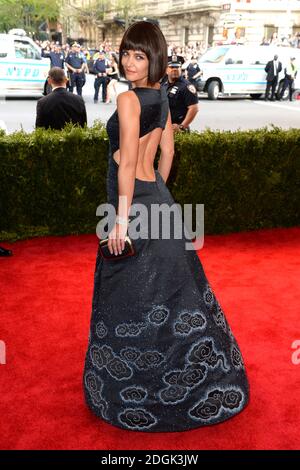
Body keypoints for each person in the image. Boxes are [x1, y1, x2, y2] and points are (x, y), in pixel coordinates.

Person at [83, 21, 249, 432]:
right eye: (125, 53)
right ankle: (196, 374)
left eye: (138, 55)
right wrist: (158, 187)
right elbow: (168, 151)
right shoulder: (160, 94)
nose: (129, 61)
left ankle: (139, 387)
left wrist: (121, 219)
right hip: (159, 201)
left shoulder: (127, 99)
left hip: (132, 204)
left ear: (153, 57)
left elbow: (123, 167)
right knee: (176, 293)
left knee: (129, 293)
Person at [162, 55, 199, 133]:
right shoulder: (164, 84)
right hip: (164, 129)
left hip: (178, 130)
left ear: (181, 69)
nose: (175, 69)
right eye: (172, 67)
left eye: (177, 67)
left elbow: (194, 108)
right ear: (166, 70)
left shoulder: (186, 86)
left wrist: (182, 127)